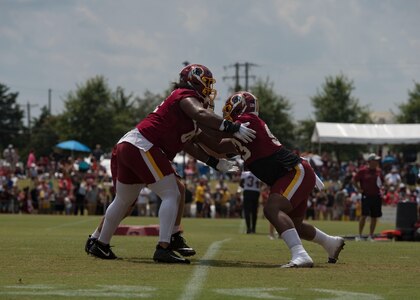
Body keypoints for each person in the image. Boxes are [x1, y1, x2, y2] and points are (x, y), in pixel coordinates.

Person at [87, 64, 255, 263]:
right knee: (171, 192)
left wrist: (217, 161)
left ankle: (100, 244)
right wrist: (231, 126)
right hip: (143, 145)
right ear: (194, 80)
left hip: (130, 145)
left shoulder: (187, 117)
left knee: (124, 200)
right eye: (207, 83)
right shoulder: (183, 96)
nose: (209, 90)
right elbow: (201, 115)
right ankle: (164, 247)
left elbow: (212, 144)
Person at [215, 91, 344, 267]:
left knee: (272, 209)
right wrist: (195, 137)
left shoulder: (248, 121)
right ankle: (330, 242)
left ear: (239, 105)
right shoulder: (241, 132)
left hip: (294, 172)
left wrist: (200, 121)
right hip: (294, 173)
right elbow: (217, 146)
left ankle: (301, 255)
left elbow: (219, 135)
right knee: (294, 225)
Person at [353, 153, 384, 241]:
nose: (377, 162)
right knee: (364, 215)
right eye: (375, 160)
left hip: (377, 196)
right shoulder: (362, 171)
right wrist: (359, 189)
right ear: (370, 161)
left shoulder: (379, 171)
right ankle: (360, 235)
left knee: (374, 216)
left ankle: (371, 235)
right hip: (366, 196)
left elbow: (382, 182)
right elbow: (354, 180)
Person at [240, 167, 261, 233]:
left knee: (247, 211)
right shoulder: (259, 174)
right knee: (254, 212)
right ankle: (253, 229)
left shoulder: (245, 173)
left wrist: (246, 187)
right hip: (256, 192)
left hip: (247, 192)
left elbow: (241, 184)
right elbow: (261, 184)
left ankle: (249, 229)